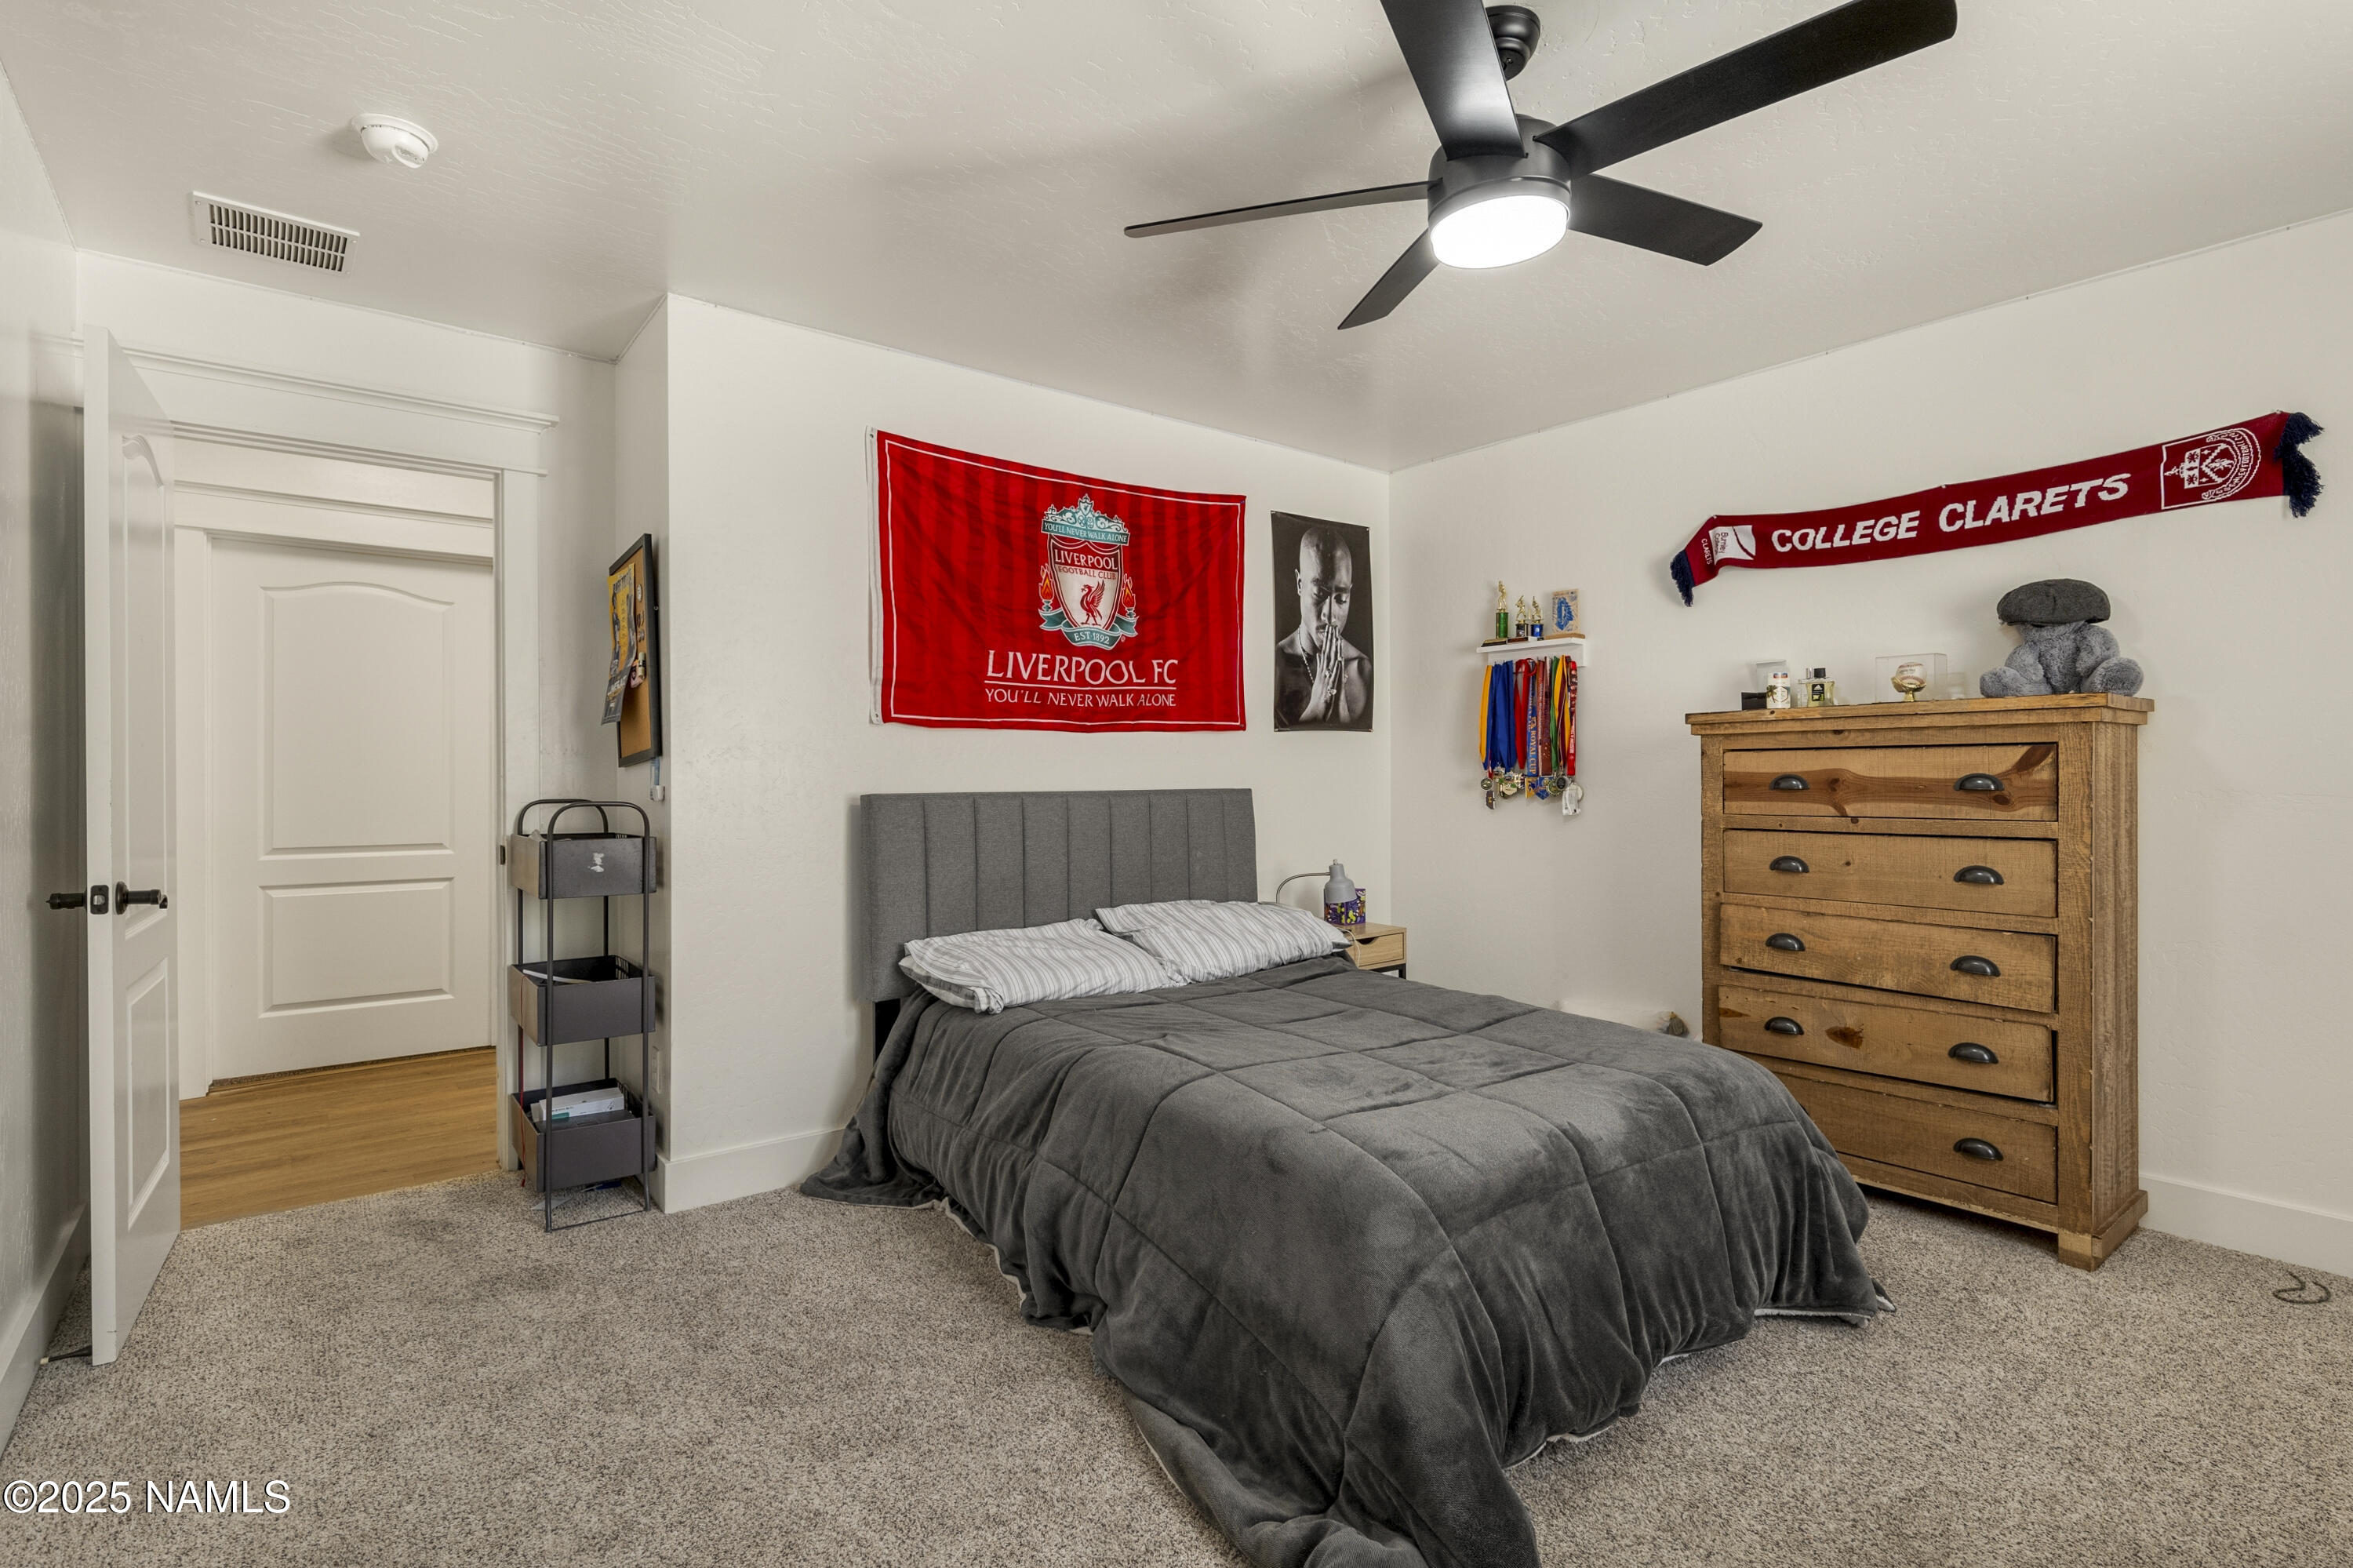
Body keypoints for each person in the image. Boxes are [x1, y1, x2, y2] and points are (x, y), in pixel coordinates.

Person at [1274, 525, 1370, 728]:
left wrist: (1340, 709)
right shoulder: (1275, 666)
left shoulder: (1362, 669)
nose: (1329, 615)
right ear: (1300, 584)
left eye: (1341, 599)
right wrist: (1317, 707)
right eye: (1319, 594)